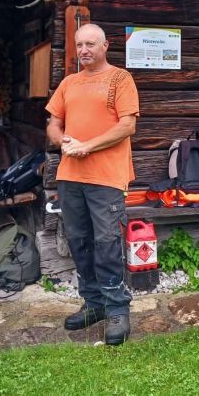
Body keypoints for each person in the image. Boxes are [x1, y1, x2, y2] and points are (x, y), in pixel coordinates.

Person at [45, 24, 138, 345]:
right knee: (79, 241)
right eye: (79, 45)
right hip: (71, 176)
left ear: (105, 46)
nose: (84, 50)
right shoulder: (69, 82)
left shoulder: (120, 79)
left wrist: (88, 146)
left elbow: (127, 125)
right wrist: (63, 141)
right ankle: (94, 303)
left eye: (90, 44)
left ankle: (117, 309)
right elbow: (53, 123)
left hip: (107, 177)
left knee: (107, 242)